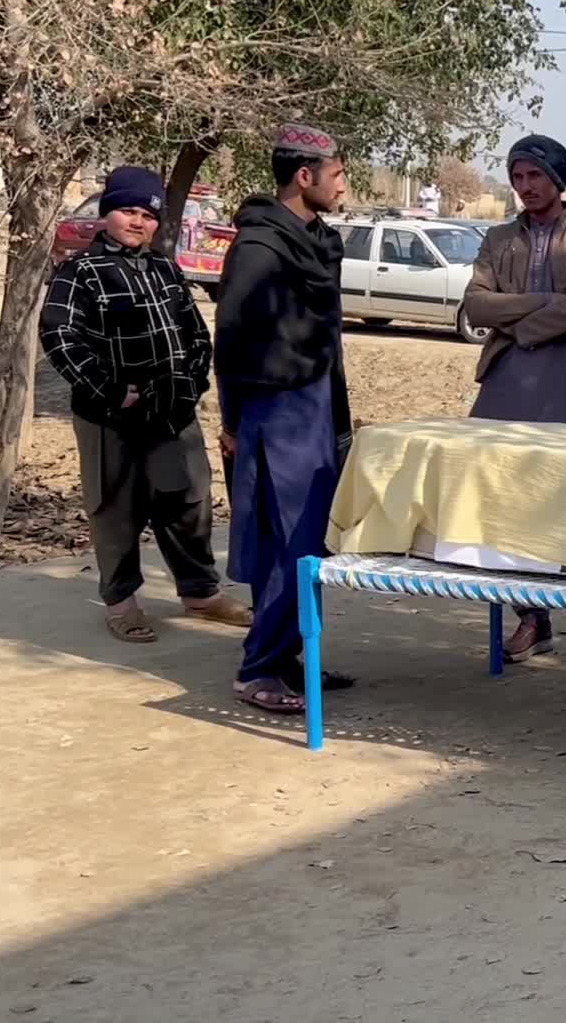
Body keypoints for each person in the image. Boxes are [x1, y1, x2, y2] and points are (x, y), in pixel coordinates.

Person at [38, 166, 252, 643]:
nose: (137, 222)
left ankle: (200, 593)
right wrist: (111, 389)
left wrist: (191, 381)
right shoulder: (81, 271)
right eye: (127, 211)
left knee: (189, 501)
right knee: (115, 509)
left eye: (146, 214)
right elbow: (59, 336)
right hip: (110, 416)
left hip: (173, 414)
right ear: (107, 213)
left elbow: (196, 334)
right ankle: (121, 602)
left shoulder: (164, 269)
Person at [461, 134, 566, 673]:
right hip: (506, 381)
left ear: (557, 179)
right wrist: (545, 304)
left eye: (535, 176)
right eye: (517, 177)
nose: (525, 187)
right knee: (505, 498)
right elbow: (476, 303)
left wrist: (522, 326)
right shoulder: (498, 238)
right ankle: (532, 618)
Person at [215, 123, 355, 714]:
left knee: (312, 541)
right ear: (306, 176)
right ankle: (259, 670)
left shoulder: (318, 241)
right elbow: (232, 341)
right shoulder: (259, 247)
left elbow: (326, 341)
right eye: (339, 176)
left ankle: (294, 653)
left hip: (318, 406)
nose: (344, 187)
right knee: (285, 542)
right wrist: (233, 421)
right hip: (277, 412)